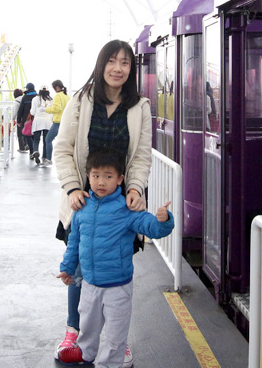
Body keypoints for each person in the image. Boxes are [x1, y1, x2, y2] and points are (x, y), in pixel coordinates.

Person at [52, 39, 152, 367]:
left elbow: (140, 157)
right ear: (101, 64)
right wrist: (71, 188)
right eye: (112, 61)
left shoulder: (140, 107)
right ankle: (74, 331)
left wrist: (135, 188)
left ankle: (114, 340)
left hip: (120, 208)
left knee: (115, 273)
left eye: (125, 63)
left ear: (131, 69)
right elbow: (62, 147)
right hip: (82, 201)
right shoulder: (80, 101)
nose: (118, 68)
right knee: (81, 269)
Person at [57, 149, 173, 367]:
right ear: (88, 176)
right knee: (88, 322)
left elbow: (151, 227)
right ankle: (85, 352)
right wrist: (67, 267)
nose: (101, 182)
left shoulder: (126, 209)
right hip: (90, 283)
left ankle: (110, 362)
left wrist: (164, 221)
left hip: (117, 286)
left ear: (120, 179)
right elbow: (74, 242)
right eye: (96, 175)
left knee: (116, 331)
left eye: (108, 176)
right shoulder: (82, 209)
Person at [43, 79, 69, 168]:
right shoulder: (67, 96)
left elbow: (56, 108)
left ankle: (49, 159)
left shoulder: (58, 96)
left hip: (58, 122)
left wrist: (46, 109)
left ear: (57, 87)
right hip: (65, 122)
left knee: (48, 139)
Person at [30, 85, 53, 165]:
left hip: (38, 121)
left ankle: (36, 151)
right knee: (46, 140)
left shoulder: (35, 99)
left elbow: (32, 112)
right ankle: (45, 156)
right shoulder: (50, 99)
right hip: (47, 121)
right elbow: (51, 113)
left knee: (36, 139)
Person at [15, 83, 37, 156]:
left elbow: (21, 110)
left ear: (27, 88)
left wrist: (18, 120)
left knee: (27, 135)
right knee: (35, 135)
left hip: (26, 119)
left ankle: (31, 151)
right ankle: (35, 150)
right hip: (36, 118)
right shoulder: (37, 96)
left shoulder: (25, 97)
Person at [11, 88, 26, 152]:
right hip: (26, 118)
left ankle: (21, 147)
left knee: (20, 133)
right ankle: (26, 145)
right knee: (26, 132)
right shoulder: (25, 98)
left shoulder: (16, 101)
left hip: (20, 118)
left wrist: (12, 119)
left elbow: (14, 111)